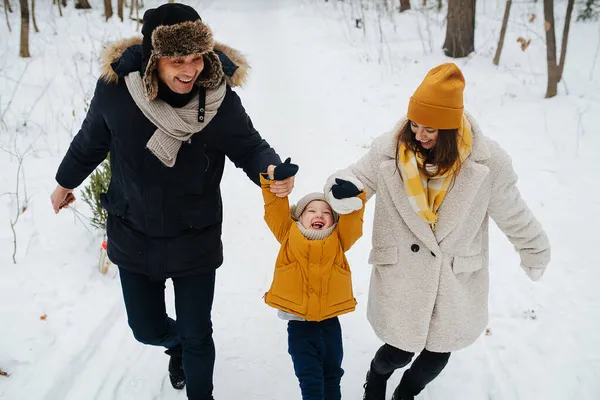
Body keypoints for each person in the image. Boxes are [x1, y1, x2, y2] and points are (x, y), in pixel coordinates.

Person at [49, 4, 293, 400]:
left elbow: (248, 145)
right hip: (133, 230)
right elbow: (91, 139)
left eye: (197, 57)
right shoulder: (117, 91)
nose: (190, 70)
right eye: (177, 59)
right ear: (152, 59)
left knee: (199, 334)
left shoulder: (218, 95)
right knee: (145, 329)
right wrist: (65, 181)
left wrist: (269, 170)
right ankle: (173, 344)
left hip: (194, 233)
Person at [324, 63, 551, 400]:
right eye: (414, 125)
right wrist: (342, 190)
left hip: (454, 279)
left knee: (436, 356)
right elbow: (357, 177)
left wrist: (534, 249)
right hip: (402, 274)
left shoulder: (488, 164)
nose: (419, 135)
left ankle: (407, 393)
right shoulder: (388, 151)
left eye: (430, 129)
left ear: (450, 128)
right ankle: (376, 378)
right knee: (397, 352)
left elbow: (512, 211)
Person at [260, 158, 366, 400]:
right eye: (311, 210)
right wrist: (274, 182)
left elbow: (353, 223)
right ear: (299, 216)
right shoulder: (288, 233)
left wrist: (353, 200)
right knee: (310, 381)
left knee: (332, 376)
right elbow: (274, 210)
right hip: (299, 326)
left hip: (330, 324)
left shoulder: (338, 240)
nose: (319, 215)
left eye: (327, 212)